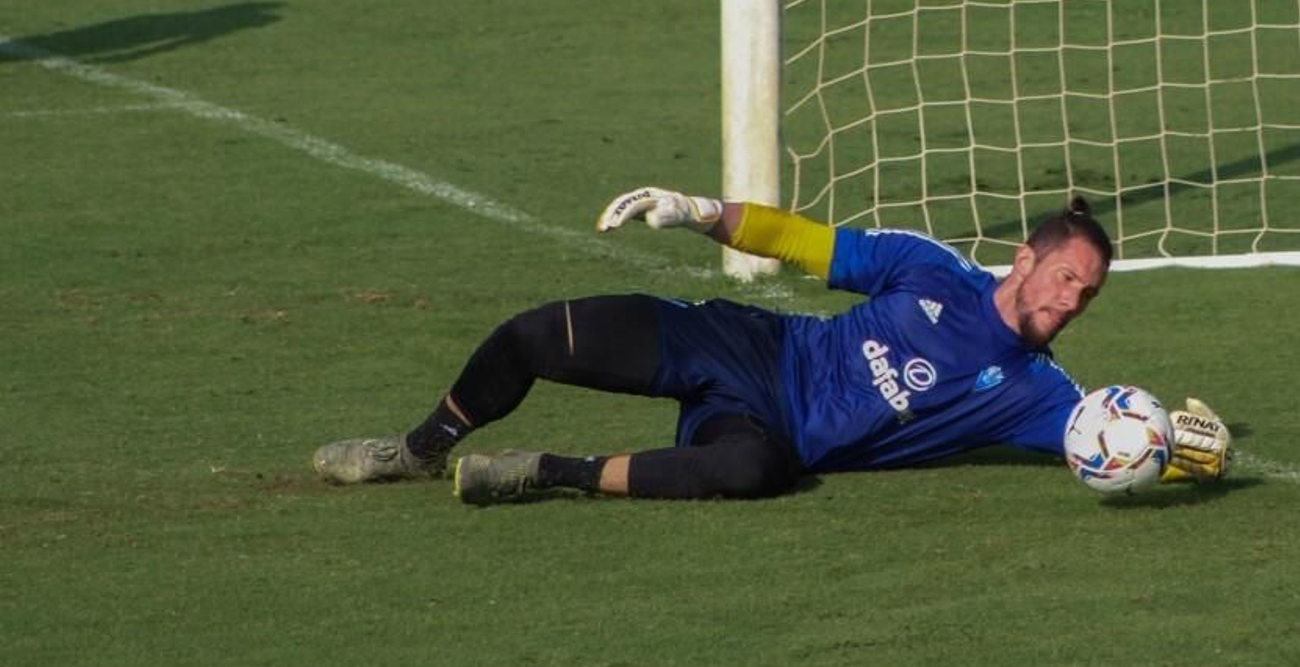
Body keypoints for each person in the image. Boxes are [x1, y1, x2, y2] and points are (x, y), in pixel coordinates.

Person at [312, 188, 1232, 504]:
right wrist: (702, 214)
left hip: (767, 428)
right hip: (748, 344)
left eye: (1090, 294)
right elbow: (806, 243)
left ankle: (546, 471)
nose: (1074, 302)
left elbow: (1122, 441)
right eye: (1067, 279)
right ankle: (414, 451)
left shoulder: (1035, 394)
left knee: (752, 473)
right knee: (532, 336)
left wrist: (1202, 450)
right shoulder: (927, 269)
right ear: (1025, 259)